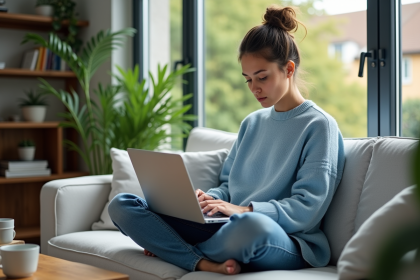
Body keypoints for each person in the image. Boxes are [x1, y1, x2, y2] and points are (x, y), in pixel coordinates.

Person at [108, 4, 345, 275]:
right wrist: (210, 200)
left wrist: (244, 210)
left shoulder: (319, 125)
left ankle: (171, 248)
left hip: (283, 238)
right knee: (123, 205)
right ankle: (201, 260)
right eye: (247, 80)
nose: (254, 88)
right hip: (226, 226)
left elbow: (307, 209)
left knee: (251, 226)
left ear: (289, 69)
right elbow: (227, 186)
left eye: (262, 77)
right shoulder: (252, 123)